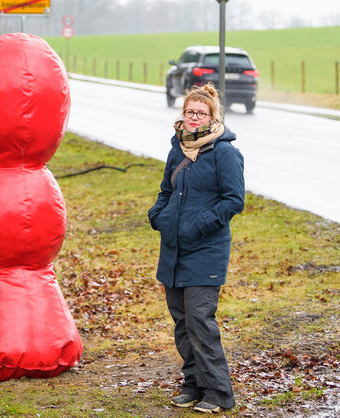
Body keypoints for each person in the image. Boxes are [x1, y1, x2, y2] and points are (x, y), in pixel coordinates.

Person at [147, 83, 244, 414]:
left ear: (212, 116)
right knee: (182, 322)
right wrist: (158, 216)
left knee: (200, 321)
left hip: (206, 252)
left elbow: (234, 200)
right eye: (189, 112)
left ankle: (218, 392)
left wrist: (197, 226)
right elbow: (165, 191)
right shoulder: (177, 150)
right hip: (173, 251)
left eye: (201, 113)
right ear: (183, 114)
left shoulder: (225, 153)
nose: (193, 117)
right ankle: (193, 384)